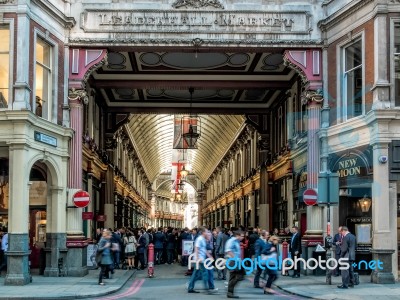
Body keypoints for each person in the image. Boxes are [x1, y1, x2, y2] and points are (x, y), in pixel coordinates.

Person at [187, 227, 217, 294]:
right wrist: (197, 258)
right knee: (205, 273)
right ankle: (206, 289)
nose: (207, 233)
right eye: (206, 232)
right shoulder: (199, 239)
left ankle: (190, 288)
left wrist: (210, 256)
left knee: (195, 275)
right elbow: (196, 248)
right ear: (203, 232)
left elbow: (204, 249)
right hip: (200, 259)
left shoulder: (203, 239)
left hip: (201, 259)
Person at [225, 230, 245, 299]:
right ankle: (230, 292)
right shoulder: (232, 241)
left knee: (233, 276)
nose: (243, 237)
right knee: (240, 275)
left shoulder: (237, 241)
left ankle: (230, 293)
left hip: (236, 261)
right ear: (237, 235)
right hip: (232, 261)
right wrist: (236, 259)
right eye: (242, 236)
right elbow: (228, 250)